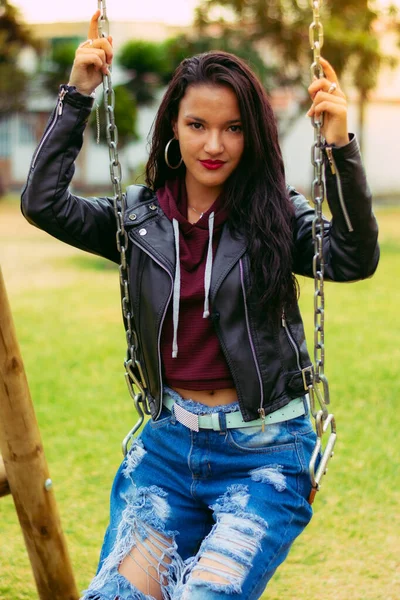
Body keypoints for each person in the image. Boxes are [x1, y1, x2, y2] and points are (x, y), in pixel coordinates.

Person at [21, 10, 379, 600]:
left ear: (253, 135)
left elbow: (351, 257)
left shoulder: (276, 217)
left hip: (264, 457)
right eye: (197, 125)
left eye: (233, 128)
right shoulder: (136, 219)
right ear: (174, 130)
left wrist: (339, 146)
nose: (214, 145)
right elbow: (42, 202)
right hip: (167, 449)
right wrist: (79, 94)